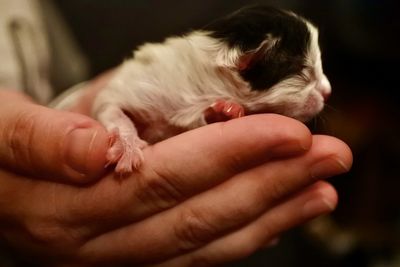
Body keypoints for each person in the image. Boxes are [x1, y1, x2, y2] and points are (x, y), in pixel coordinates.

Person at [0, 1, 353, 266]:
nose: (324, 89)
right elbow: (111, 102)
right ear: (242, 63)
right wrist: (121, 134)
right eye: (304, 75)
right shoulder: (160, 76)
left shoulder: (231, 87)